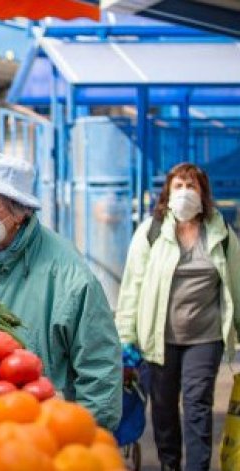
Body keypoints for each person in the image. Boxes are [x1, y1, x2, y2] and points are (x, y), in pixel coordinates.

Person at [0, 149, 122, 430]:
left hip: (37, 431)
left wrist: (83, 439)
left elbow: (99, 371)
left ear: (21, 213)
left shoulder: (70, 279)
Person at [116, 163, 240, 471]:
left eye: (192, 186)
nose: (185, 193)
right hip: (158, 340)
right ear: (168, 193)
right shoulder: (151, 232)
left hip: (205, 337)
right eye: (179, 186)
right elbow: (132, 287)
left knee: (198, 407)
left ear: (203, 193)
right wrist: (124, 340)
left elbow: (237, 285)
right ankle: (169, 465)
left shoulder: (220, 233)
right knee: (163, 410)